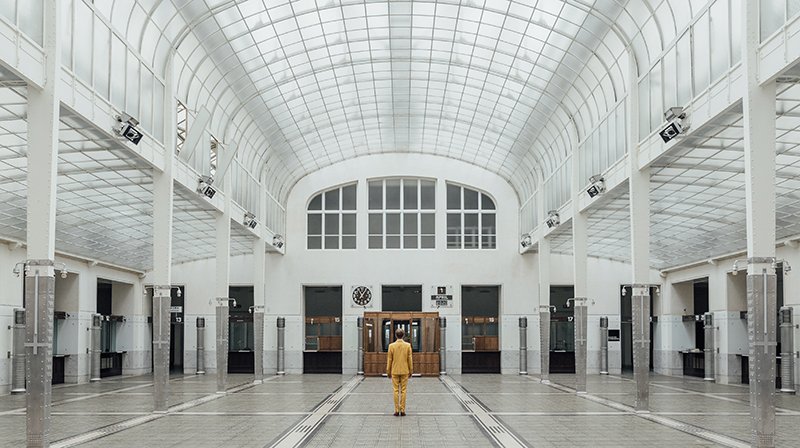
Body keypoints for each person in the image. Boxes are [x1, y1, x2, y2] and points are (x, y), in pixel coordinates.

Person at [386, 327, 413, 416]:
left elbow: (389, 360)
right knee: (404, 390)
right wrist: (411, 370)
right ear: (403, 335)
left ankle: (397, 410)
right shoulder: (408, 345)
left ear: (395, 335)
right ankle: (403, 410)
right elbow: (410, 359)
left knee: (396, 390)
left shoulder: (391, 346)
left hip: (395, 371)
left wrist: (388, 371)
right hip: (405, 370)